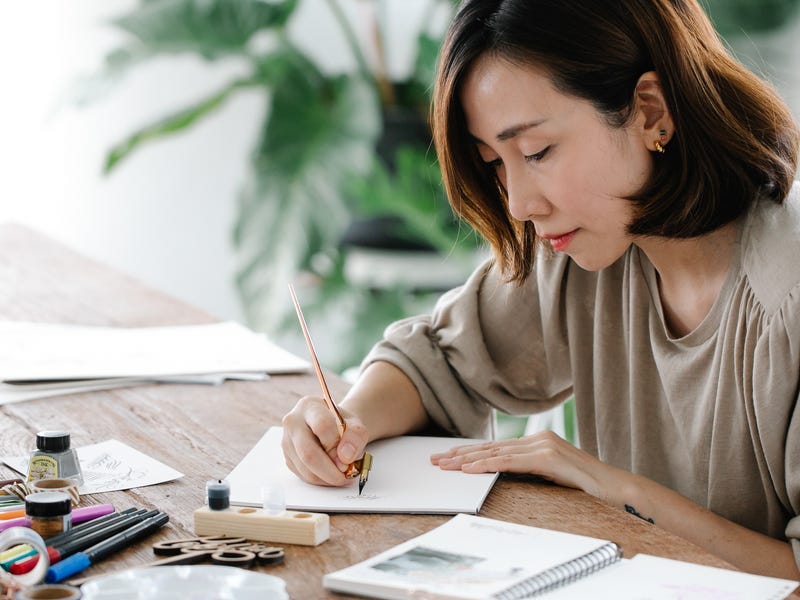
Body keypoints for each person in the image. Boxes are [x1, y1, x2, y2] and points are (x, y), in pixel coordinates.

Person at [282, 0, 800, 579]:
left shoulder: (788, 298)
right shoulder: (587, 254)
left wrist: (615, 493)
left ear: (651, 111)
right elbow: (438, 363)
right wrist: (346, 424)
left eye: (536, 152)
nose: (520, 205)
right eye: (496, 163)